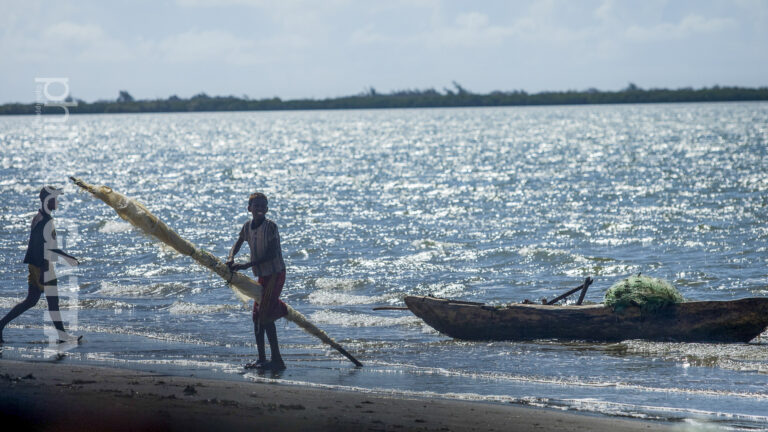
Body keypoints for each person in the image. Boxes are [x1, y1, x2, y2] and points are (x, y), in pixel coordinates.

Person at [0, 186, 81, 344]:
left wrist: (67, 257)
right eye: (54, 199)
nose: (57, 202)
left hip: (36, 264)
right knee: (52, 301)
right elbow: (44, 247)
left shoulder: (40, 217)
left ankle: (1, 324)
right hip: (42, 265)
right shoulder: (46, 221)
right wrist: (44, 270)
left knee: (32, 301)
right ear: (47, 201)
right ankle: (62, 336)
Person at [226, 192, 288, 370]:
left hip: (275, 274)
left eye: (263, 206)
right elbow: (237, 243)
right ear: (249, 208)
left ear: (267, 209)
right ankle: (261, 359)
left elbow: (272, 254)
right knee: (257, 318)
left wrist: (246, 265)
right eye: (256, 206)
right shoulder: (247, 226)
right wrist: (231, 258)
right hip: (262, 276)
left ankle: (277, 360)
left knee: (265, 317)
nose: (260, 209)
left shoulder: (271, 227)